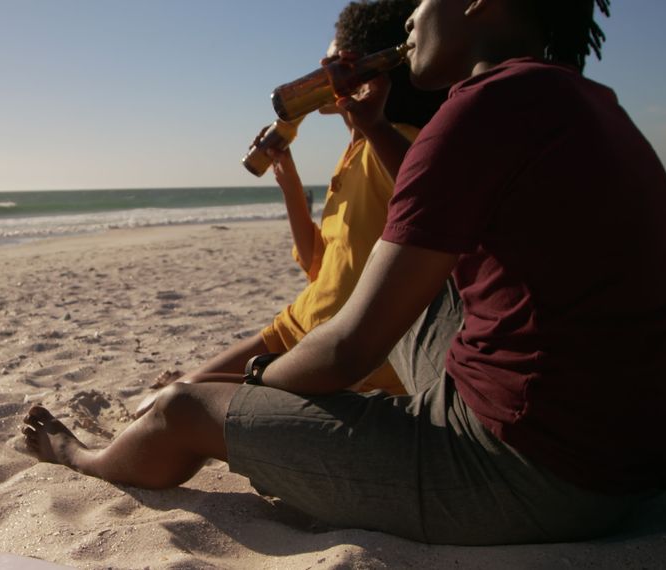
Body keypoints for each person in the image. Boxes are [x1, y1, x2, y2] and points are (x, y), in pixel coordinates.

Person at [22, 0, 666, 545]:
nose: (410, 18)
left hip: (534, 480)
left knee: (183, 409)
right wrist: (373, 125)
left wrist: (255, 387)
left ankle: (79, 456)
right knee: (409, 292)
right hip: (620, 459)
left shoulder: (479, 109)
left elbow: (349, 348)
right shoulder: (577, 99)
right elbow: (447, 206)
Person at [138, 0, 447, 412]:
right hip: (296, 325)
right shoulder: (353, 153)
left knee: (167, 406)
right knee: (157, 403)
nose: (320, 65)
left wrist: (375, 128)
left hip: (336, 350)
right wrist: (289, 183)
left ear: (366, 72)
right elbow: (319, 266)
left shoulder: (393, 145)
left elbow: (432, 194)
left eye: (335, 59)